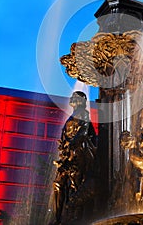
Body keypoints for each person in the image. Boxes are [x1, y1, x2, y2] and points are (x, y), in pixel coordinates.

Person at [52, 91, 96, 224]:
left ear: (81, 101)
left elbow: (83, 132)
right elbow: (65, 136)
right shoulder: (72, 116)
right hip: (67, 155)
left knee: (75, 183)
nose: (72, 99)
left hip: (78, 154)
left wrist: (72, 143)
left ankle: (76, 214)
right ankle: (58, 217)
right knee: (58, 183)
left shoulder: (83, 114)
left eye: (76, 98)